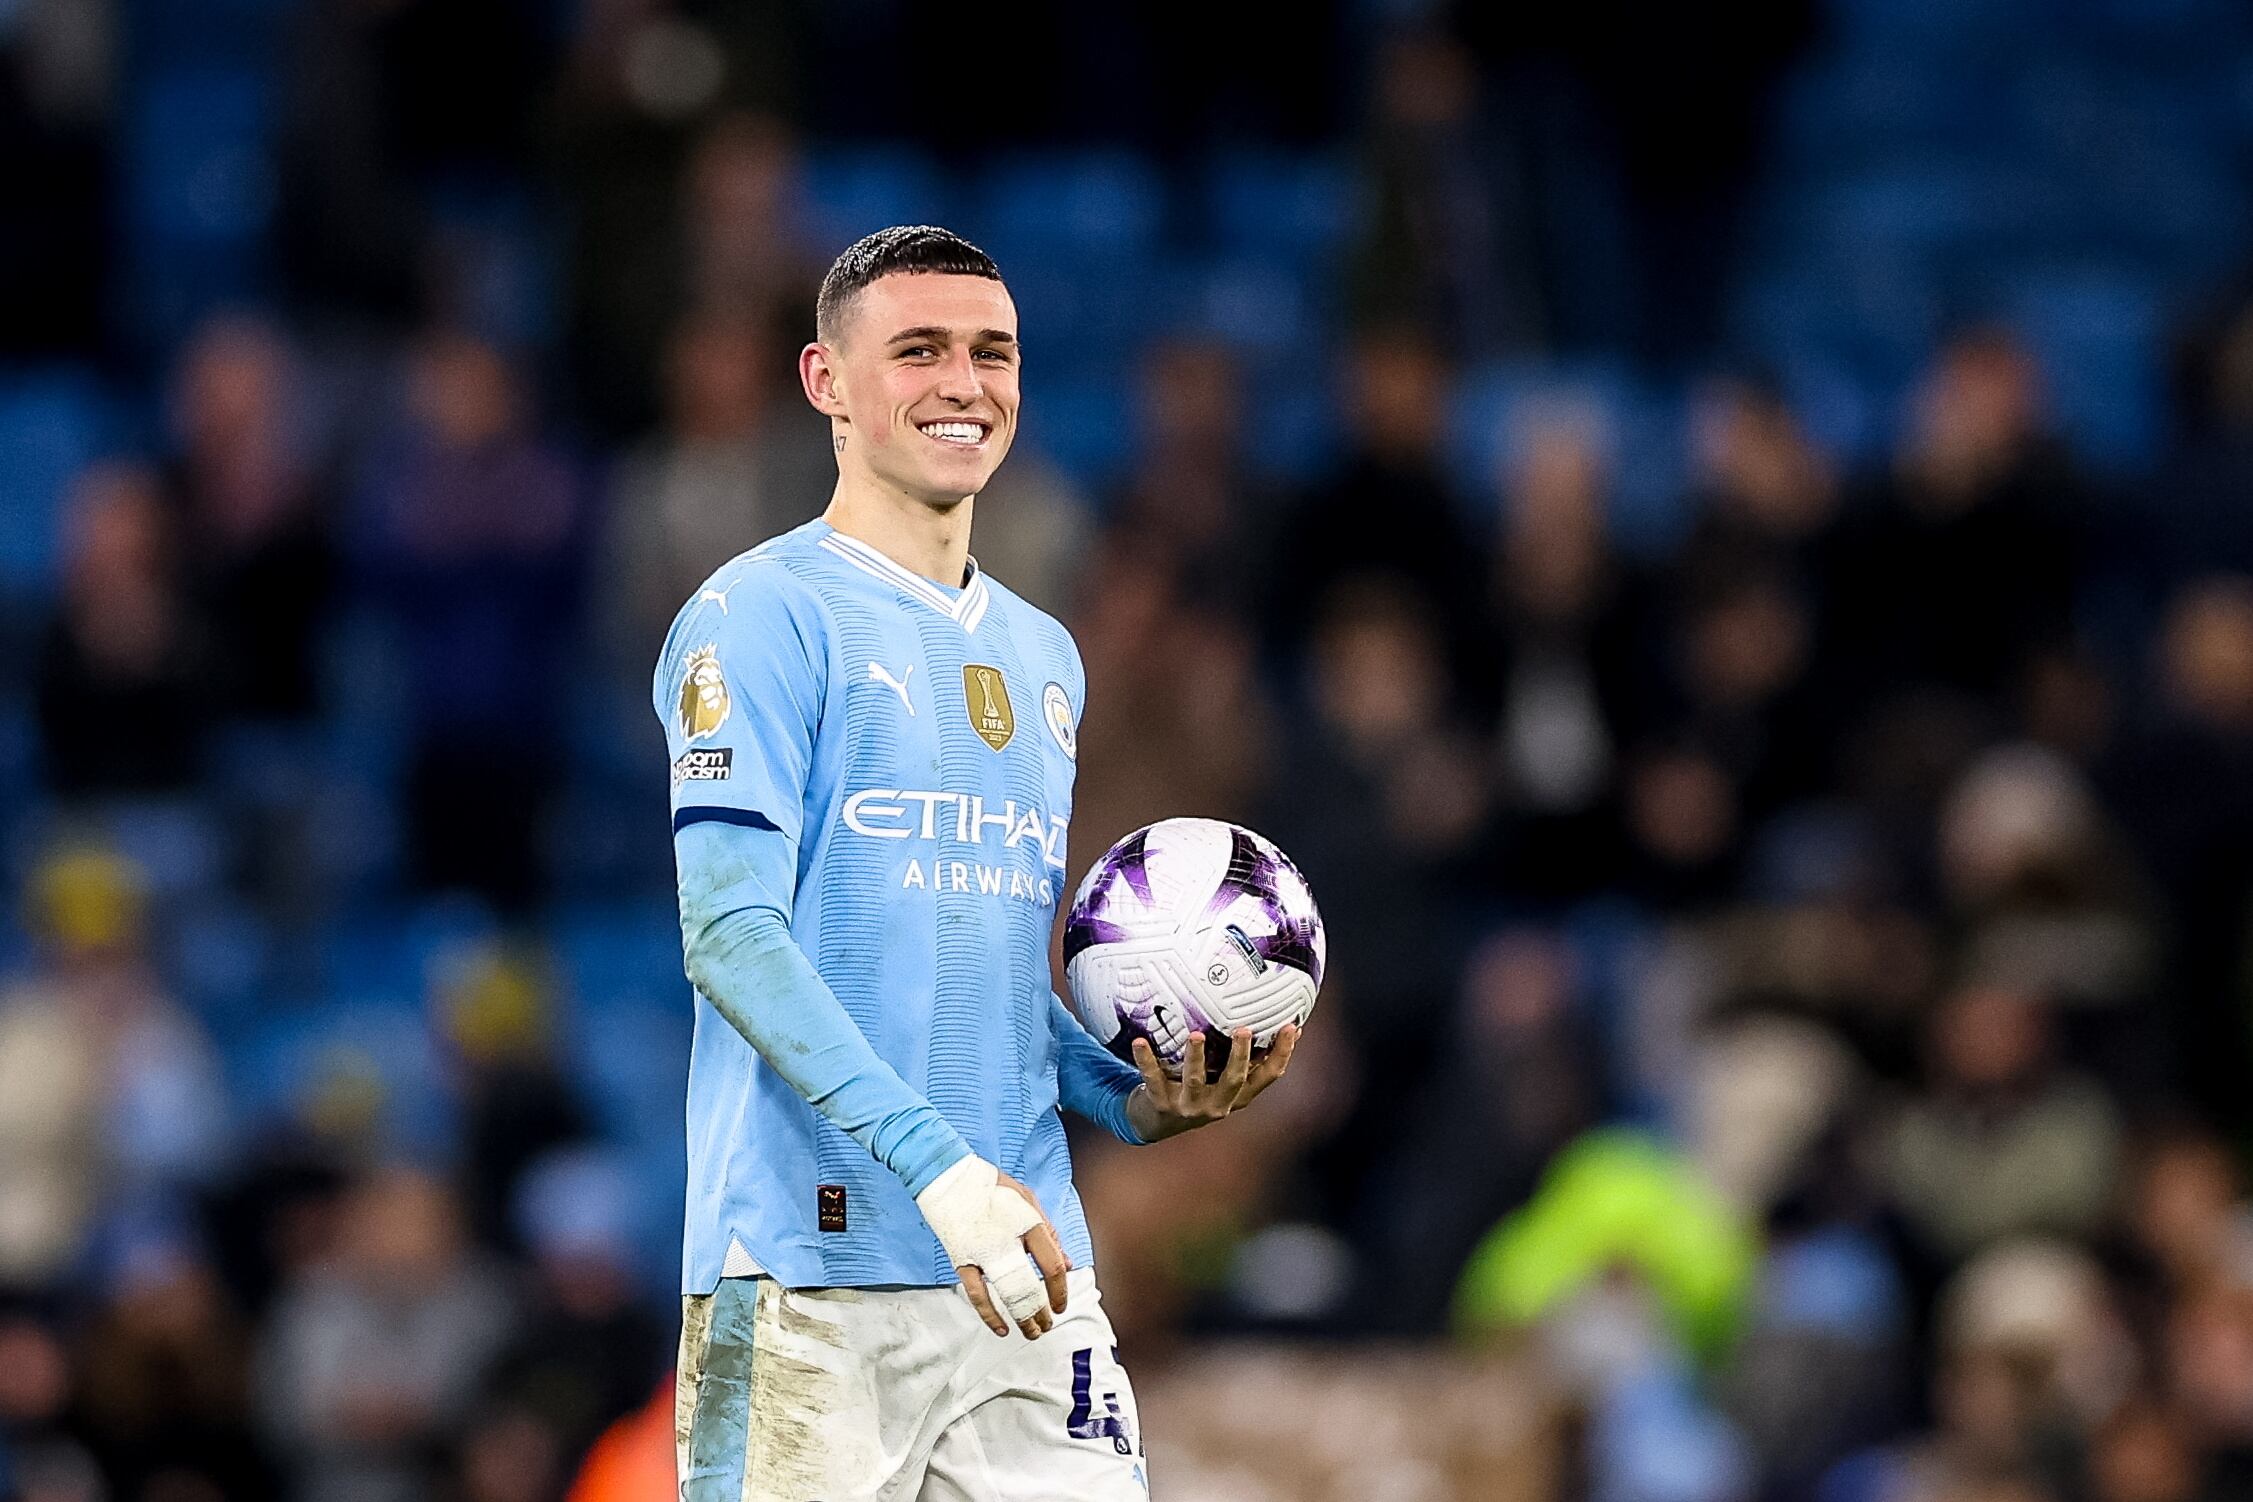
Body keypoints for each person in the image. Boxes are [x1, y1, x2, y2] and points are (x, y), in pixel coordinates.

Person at [657, 225, 1300, 1500]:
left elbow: (995, 975)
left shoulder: (1045, 654)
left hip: (1024, 1265)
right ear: (827, 381)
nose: (964, 383)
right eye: (919, 350)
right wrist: (937, 1164)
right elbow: (728, 932)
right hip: (806, 1271)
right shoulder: (757, 613)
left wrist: (1133, 1099)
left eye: (992, 352)